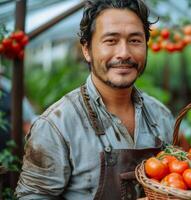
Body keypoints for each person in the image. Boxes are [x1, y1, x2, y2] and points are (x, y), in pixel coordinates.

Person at [15, 0, 175, 199]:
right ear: (86, 49)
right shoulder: (57, 125)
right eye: (111, 41)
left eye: (135, 40)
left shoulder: (161, 116)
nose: (124, 53)